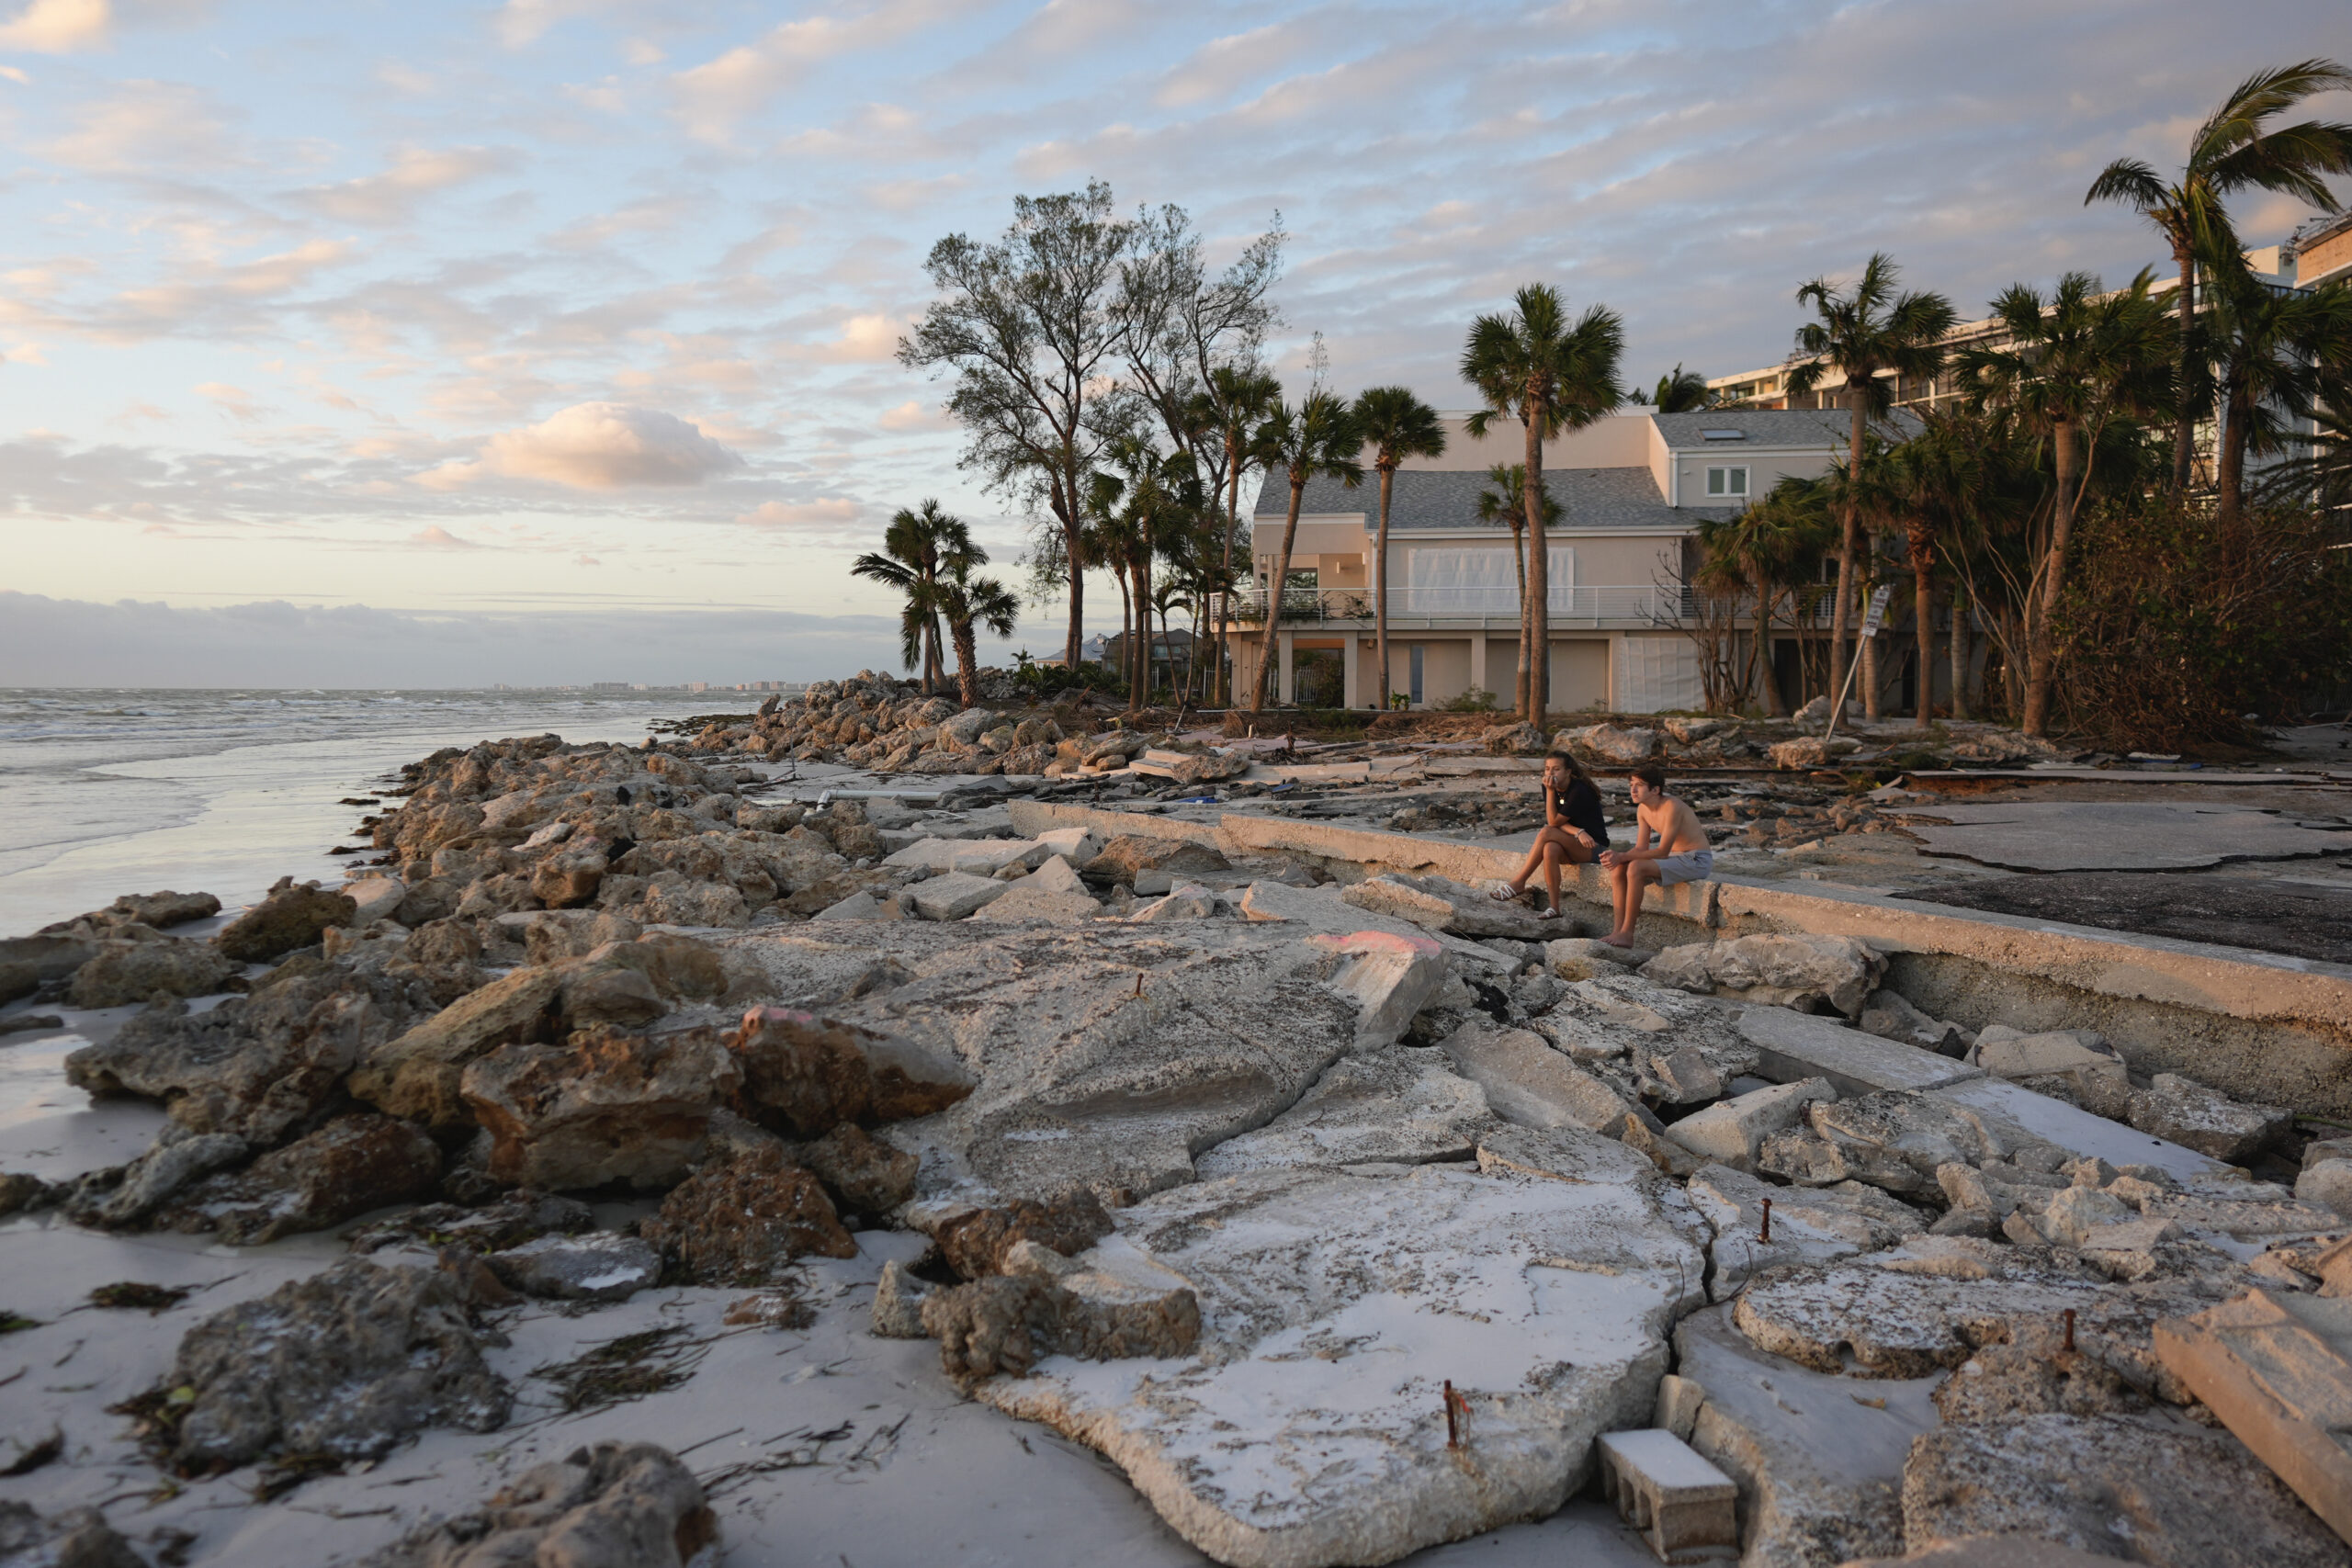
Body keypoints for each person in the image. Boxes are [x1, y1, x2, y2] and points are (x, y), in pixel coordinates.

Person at [1599, 763, 1712, 947]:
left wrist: (1623, 856)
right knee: (1620, 868)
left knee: (1635, 867)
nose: (1633, 790)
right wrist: (1619, 856)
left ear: (1655, 790)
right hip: (1675, 857)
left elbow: (1662, 851)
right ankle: (1617, 931)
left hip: (1696, 859)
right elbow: (1641, 847)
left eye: (1640, 785)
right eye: (1631, 785)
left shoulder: (1672, 807)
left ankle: (1628, 933)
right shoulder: (1643, 809)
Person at [1492, 751, 1610, 919]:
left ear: (1568, 771)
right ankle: (1554, 908)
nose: (1550, 773)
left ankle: (1518, 882)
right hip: (1572, 842)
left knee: (1547, 831)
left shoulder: (1579, 790)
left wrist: (1550, 791)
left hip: (1594, 847)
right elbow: (1557, 822)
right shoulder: (1549, 786)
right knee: (1550, 848)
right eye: (1547, 769)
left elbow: (1553, 822)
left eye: (1556, 769)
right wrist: (1577, 831)